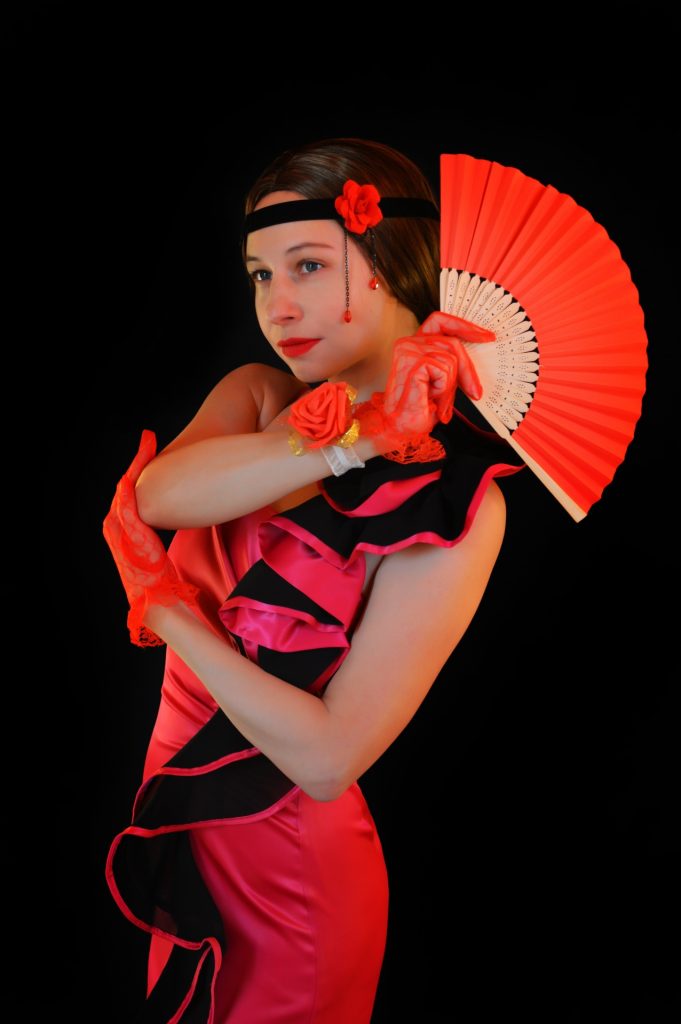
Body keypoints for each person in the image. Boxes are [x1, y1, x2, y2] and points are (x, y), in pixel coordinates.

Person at [102, 136, 525, 1023]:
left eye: (305, 265)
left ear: (392, 264)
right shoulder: (262, 400)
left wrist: (167, 611)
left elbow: (328, 758)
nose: (277, 303)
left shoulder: (460, 505)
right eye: (259, 275)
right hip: (195, 840)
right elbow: (164, 496)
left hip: (295, 877)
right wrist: (360, 436)